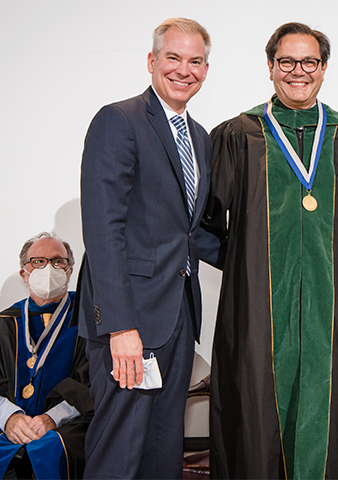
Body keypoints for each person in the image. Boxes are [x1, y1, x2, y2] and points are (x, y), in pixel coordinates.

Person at [205, 22, 338, 480]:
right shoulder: (238, 135)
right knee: (257, 414)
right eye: (287, 61)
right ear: (270, 68)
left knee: (336, 413)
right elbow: (199, 225)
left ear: (323, 69)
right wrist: (249, 266)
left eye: (309, 62)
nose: (298, 71)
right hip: (259, 312)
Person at [77, 17, 222, 480]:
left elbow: (188, 233)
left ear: (206, 67)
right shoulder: (119, 120)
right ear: (152, 61)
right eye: (173, 58)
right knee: (120, 447)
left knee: (163, 449)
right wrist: (120, 326)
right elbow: (103, 229)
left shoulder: (199, 137)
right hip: (131, 322)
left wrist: (263, 260)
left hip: (177, 316)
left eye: (195, 60)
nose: (184, 70)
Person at [0, 232, 92, 480]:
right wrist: (9, 418)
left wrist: (52, 418)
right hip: (8, 424)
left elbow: (92, 382)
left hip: (67, 423)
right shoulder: (4, 323)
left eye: (58, 261)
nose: (48, 268)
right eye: (38, 261)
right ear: (24, 272)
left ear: (70, 271)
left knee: (53, 447)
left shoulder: (88, 321)